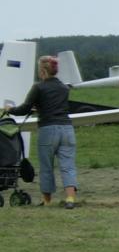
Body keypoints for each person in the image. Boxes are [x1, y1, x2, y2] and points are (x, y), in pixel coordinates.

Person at [13, 54, 78, 208]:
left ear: (42, 70)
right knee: (68, 166)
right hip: (67, 129)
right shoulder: (64, 87)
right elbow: (55, 105)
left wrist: (10, 109)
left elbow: (24, 108)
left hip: (48, 130)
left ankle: (47, 200)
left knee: (46, 166)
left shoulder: (38, 87)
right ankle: (70, 199)